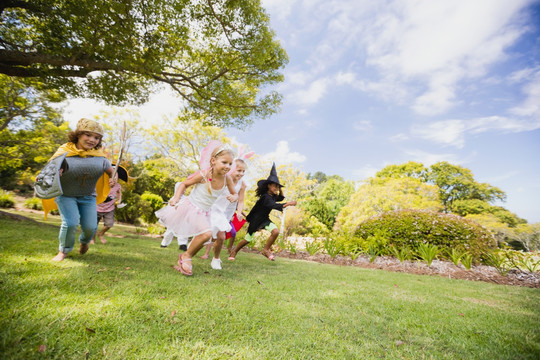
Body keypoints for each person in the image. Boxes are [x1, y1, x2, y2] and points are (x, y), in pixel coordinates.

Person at [155, 141, 238, 276]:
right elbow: (184, 184)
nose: (228, 166)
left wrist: (234, 197)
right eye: (224, 162)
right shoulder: (204, 174)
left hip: (205, 211)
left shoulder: (227, 179)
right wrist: (176, 198)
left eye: (230, 164)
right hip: (191, 207)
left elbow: (235, 193)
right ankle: (186, 256)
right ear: (213, 161)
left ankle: (186, 256)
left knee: (206, 236)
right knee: (206, 234)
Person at [47, 118, 115, 261]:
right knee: (70, 223)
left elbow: (111, 172)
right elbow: (49, 170)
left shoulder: (100, 157)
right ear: (78, 134)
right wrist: (55, 173)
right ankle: (63, 251)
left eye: (96, 137)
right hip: (66, 195)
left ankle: (84, 242)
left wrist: (113, 178)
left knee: (91, 227)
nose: (92, 140)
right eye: (88, 135)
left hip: (88, 196)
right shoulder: (64, 152)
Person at [228, 163, 296, 261]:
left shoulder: (272, 196)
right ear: (268, 185)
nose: (276, 189)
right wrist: (288, 203)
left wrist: (279, 188)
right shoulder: (266, 197)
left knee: (275, 231)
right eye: (274, 186)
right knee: (247, 239)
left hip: (264, 219)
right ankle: (234, 252)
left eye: (277, 187)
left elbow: (280, 198)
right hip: (256, 220)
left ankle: (265, 250)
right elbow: (274, 205)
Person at [200, 158, 248, 263]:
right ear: (232, 169)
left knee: (218, 235)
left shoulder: (242, 184)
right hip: (217, 209)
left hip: (228, 212)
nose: (241, 174)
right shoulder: (225, 179)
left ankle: (215, 257)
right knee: (216, 234)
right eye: (239, 170)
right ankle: (213, 257)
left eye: (243, 171)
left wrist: (239, 212)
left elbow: (240, 201)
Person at [91, 170, 122, 244]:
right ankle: (92, 239)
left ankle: (101, 233)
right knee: (93, 225)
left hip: (109, 209)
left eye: (116, 177)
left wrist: (119, 200)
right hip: (97, 207)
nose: (114, 179)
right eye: (112, 177)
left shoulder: (117, 186)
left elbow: (119, 193)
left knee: (109, 224)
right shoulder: (101, 183)